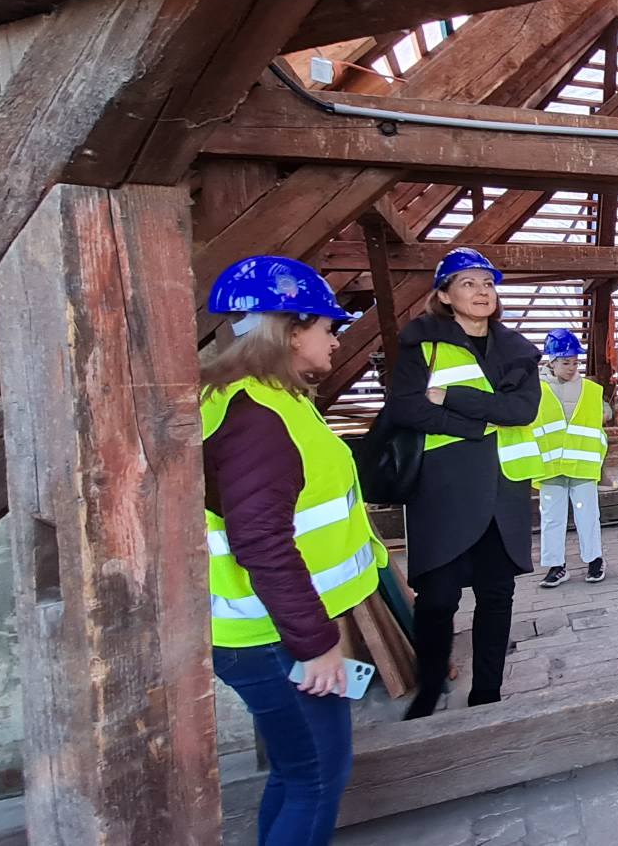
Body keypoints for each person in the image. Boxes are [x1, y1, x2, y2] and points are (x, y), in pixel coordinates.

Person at [200, 255, 386, 846]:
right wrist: (316, 645)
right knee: (318, 778)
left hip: (268, 632)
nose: (335, 341)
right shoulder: (256, 418)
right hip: (268, 638)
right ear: (291, 329)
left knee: (296, 771)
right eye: (328, 328)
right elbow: (262, 543)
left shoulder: (268, 399)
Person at [380, 247, 543, 719]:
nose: (482, 291)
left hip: (502, 493)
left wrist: (452, 396)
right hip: (443, 493)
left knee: (497, 595)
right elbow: (406, 408)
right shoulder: (422, 343)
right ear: (445, 295)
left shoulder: (518, 350)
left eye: (487, 283)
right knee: (437, 600)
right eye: (468, 283)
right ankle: (429, 689)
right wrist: (479, 425)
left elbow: (522, 411)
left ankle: (487, 693)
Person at [535, 328, 612, 588]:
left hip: (581, 464)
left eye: (574, 362)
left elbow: (605, 412)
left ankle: (594, 561)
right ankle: (556, 567)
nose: (571, 368)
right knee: (551, 518)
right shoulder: (535, 390)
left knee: (587, 515)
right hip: (551, 465)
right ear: (552, 362)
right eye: (566, 362)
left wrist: (604, 413)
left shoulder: (590, 389)